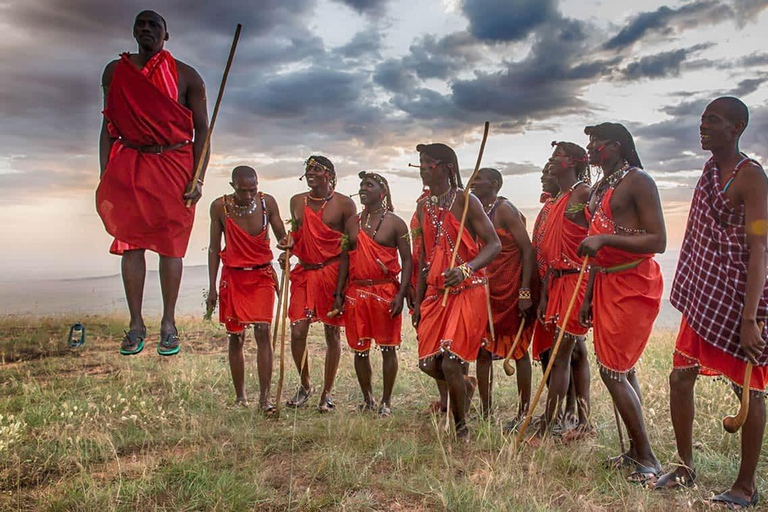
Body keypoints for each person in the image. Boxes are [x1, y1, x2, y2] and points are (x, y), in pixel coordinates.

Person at [655, 97, 768, 508]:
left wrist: (751, 318)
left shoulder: (752, 177)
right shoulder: (708, 172)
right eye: (702, 120)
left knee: (750, 393)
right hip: (707, 294)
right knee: (679, 377)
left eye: (713, 121)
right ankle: (685, 466)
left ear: (736, 128)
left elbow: (760, 246)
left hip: (742, 297)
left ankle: (745, 487)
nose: (703, 126)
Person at [96, 10, 209, 356]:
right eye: (140, 24)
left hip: (174, 163)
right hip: (130, 162)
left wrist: (198, 176)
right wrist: (105, 174)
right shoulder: (116, 72)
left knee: (171, 244)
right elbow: (108, 123)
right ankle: (135, 324)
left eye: (154, 25)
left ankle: (169, 324)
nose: (146, 29)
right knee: (130, 242)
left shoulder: (187, 76)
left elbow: (202, 130)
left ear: (166, 35)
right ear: (133, 31)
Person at [577, 123, 666, 484]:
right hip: (606, 282)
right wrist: (587, 296)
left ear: (615, 146)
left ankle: (647, 458)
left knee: (612, 371)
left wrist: (603, 240)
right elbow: (599, 247)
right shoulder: (601, 185)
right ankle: (633, 450)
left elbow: (658, 239)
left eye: (596, 142)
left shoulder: (638, 180)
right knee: (623, 369)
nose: (591, 148)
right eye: (589, 142)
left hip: (634, 282)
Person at [412, 143, 501, 439]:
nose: (423, 168)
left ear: (447, 168)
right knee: (428, 364)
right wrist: (418, 299)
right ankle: (466, 386)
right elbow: (425, 256)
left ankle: (461, 427)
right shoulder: (423, 207)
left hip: (468, 290)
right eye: (421, 163)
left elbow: (494, 244)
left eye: (428, 163)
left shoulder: (466, 201)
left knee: (451, 362)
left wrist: (466, 269)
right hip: (437, 294)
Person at [206, 166, 288, 412]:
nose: (249, 195)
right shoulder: (219, 207)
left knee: (263, 331)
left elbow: (282, 236)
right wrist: (212, 287)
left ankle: (265, 399)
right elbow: (213, 249)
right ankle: (240, 396)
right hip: (234, 277)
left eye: (253, 189)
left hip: (261, 274)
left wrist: (287, 247)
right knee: (236, 337)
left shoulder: (267, 203)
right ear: (233, 187)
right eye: (244, 191)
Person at [284, 156, 356, 412]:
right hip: (305, 272)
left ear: (329, 175)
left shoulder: (345, 204)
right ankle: (305, 385)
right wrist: (289, 249)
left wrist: (340, 290)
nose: (310, 172)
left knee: (331, 332)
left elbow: (348, 249)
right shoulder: (296, 201)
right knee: (297, 330)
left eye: (316, 169)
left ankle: (327, 392)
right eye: (308, 169)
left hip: (332, 272)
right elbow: (296, 234)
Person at [337, 172, 412, 416]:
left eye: (369, 184)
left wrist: (401, 294)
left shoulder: (396, 224)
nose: (363, 188)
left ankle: (386, 402)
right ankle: (368, 398)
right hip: (356, 292)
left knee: (388, 348)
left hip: (384, 292)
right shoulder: (352, 223)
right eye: (361, 185)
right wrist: (338, 293)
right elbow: (345, 260)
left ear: (383, 192)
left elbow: (408, 261)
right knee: (360, 349)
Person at [534, 142, 592, 440]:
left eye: (556, 156)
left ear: (573, 162)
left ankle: (552, 420)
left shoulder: (584, 194)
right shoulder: (561, 198)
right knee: (575, 351)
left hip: (576, 280)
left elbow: (597, 237)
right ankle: (579, 418)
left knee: (562, 353)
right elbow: (549, 251)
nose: (550, 161)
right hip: (558, 281)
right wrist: (544, 293)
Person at [470, 168, 534, 419]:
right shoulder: (476, 211)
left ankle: (523, 412)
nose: (473, 183)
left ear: (494, 184)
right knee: (483, 350)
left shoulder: (504, 209)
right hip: (484, 290)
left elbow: (527, 251)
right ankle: (486, 412)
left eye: (479, 179)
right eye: (472, 179)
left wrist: (525, 291)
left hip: (511, 289)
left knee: (519, 351)